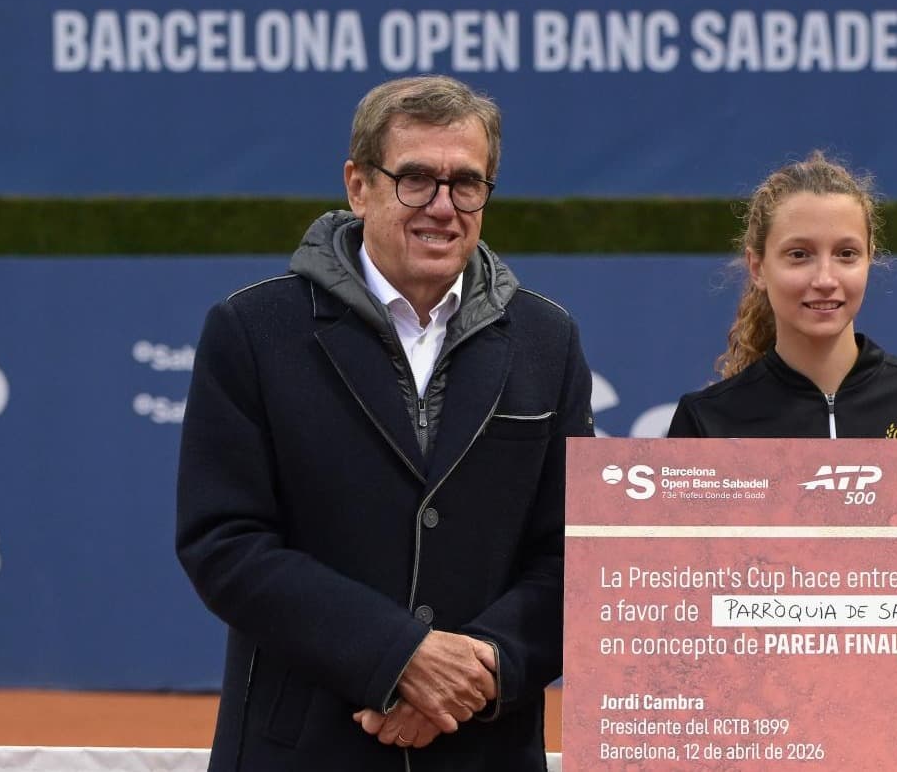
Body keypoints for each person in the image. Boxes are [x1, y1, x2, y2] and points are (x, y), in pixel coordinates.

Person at [176, 75, 588, 769]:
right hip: (302, 748)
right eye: (416, 179)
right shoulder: (251, 330)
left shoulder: (549, 340)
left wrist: (481, 666)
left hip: (482, 745)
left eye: (467, 182)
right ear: (358, 184)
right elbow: (224, 542)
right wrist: (398, 656)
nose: (443, 205)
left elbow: (572, 553)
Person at [666, 153, 897, 439]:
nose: (825, 279)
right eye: (799, 255)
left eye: (846, 254)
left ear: (869, 258)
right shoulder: (706, 423)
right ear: (758, 267)